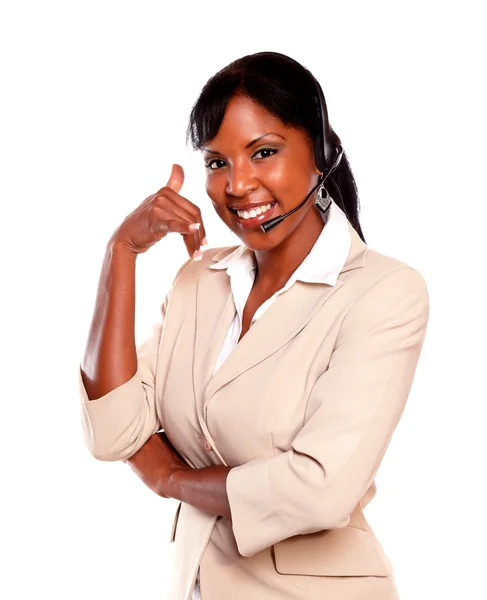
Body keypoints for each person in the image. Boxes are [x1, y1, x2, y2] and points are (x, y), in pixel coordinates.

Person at [79, 52, 429, 600]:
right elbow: (115, 428)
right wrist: (120, 252)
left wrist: (170, 478)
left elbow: (320, 489)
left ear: (321, 152)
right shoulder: (198, 280)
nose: (238, 185)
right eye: (217, 162)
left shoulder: (383, 292)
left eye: (263, 153)